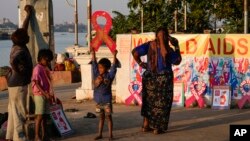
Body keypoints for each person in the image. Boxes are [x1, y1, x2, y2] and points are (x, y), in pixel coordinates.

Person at [131, 27, 182, 134]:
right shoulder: (168, 49)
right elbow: (177, 61)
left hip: (149, 77)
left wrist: (140, 63)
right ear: (168, 37)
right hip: (164, 79)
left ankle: (146, 125)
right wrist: (177, 46)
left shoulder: (150, 45)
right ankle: (157, 128)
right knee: (162, 103)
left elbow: (135, 52)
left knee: (149, 102)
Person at [5, 5, 33, 141]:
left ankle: (10, 136)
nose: (28, 36)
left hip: (13, 84)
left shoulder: (16, 45)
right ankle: (20, 138)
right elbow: (15, 61)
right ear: (24, 40)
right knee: (20, 113)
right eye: (27, 36)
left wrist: (28, 15)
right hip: (19, 85)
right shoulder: (20, 51)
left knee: (13, 111)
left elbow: (24, 28)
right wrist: (17, 69)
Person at [91, 49, 118, 141]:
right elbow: (94, 64)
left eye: (101, 68)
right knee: (101, 118)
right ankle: (100, 134)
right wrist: (93, 53)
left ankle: (110, 135)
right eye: (99, 68)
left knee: (108, 117)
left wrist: (114, 55)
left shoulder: (109, 76)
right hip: (98, 101)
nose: (99, 69)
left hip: (107, 101)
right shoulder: (96, 74)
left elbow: (114, 67)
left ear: (106, 68)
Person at [31, 49, 54, 141]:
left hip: (46, 94)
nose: (48, 62)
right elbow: (36, 83)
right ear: (41, 58)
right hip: (39, 94)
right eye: (47, 60)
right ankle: (37, 136)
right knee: (39, 115)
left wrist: (49, 94)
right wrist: (45, 93)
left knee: (45, 116)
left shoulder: (45, 68)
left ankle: (45, 135)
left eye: (49, 61)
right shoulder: (37, 68)